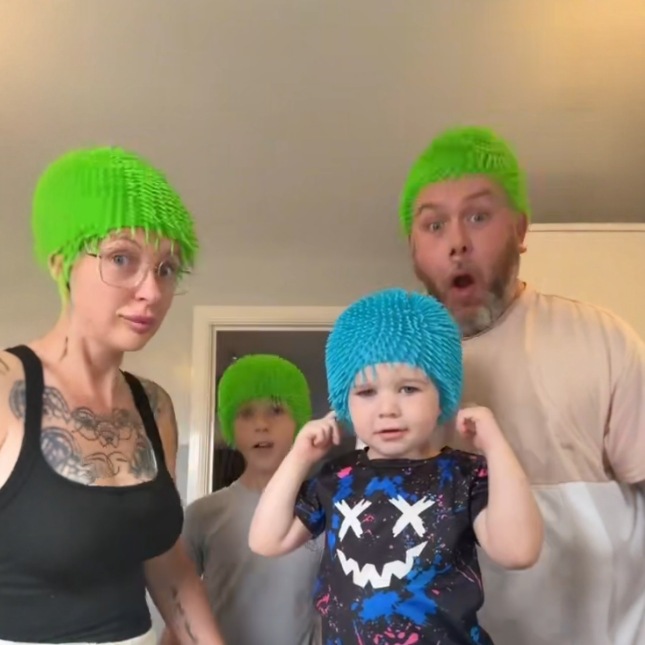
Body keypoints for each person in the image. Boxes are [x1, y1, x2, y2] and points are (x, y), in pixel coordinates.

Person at [399, 125, 645, 644]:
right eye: (434, 225)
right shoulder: (393, 373)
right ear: (413, 249)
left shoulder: (602, 339)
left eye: (478, 217)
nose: (457, 242)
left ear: (520, 229)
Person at [0, 147, 224, 645]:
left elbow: (166, 562)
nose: (151, 291)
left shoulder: (155, 407)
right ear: (61, 262)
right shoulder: (4, 388)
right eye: (122, 259)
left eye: (167, 269)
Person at [249, 288, 543, 645]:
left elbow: (518, 551)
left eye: (408, 389)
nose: (387, 409)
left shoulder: (464, 475)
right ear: (345, 403)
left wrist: (495, 446)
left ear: (443, 395)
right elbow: (266, 540)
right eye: (366, 392)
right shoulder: (337, 478)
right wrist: (299, 457)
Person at [162, 354, 323, 645]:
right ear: (230, 427)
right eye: (246, 413)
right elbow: (179, 610)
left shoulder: (322, 511)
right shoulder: (203, 514)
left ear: (298, 421)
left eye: (276, 410)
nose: (261, 424)